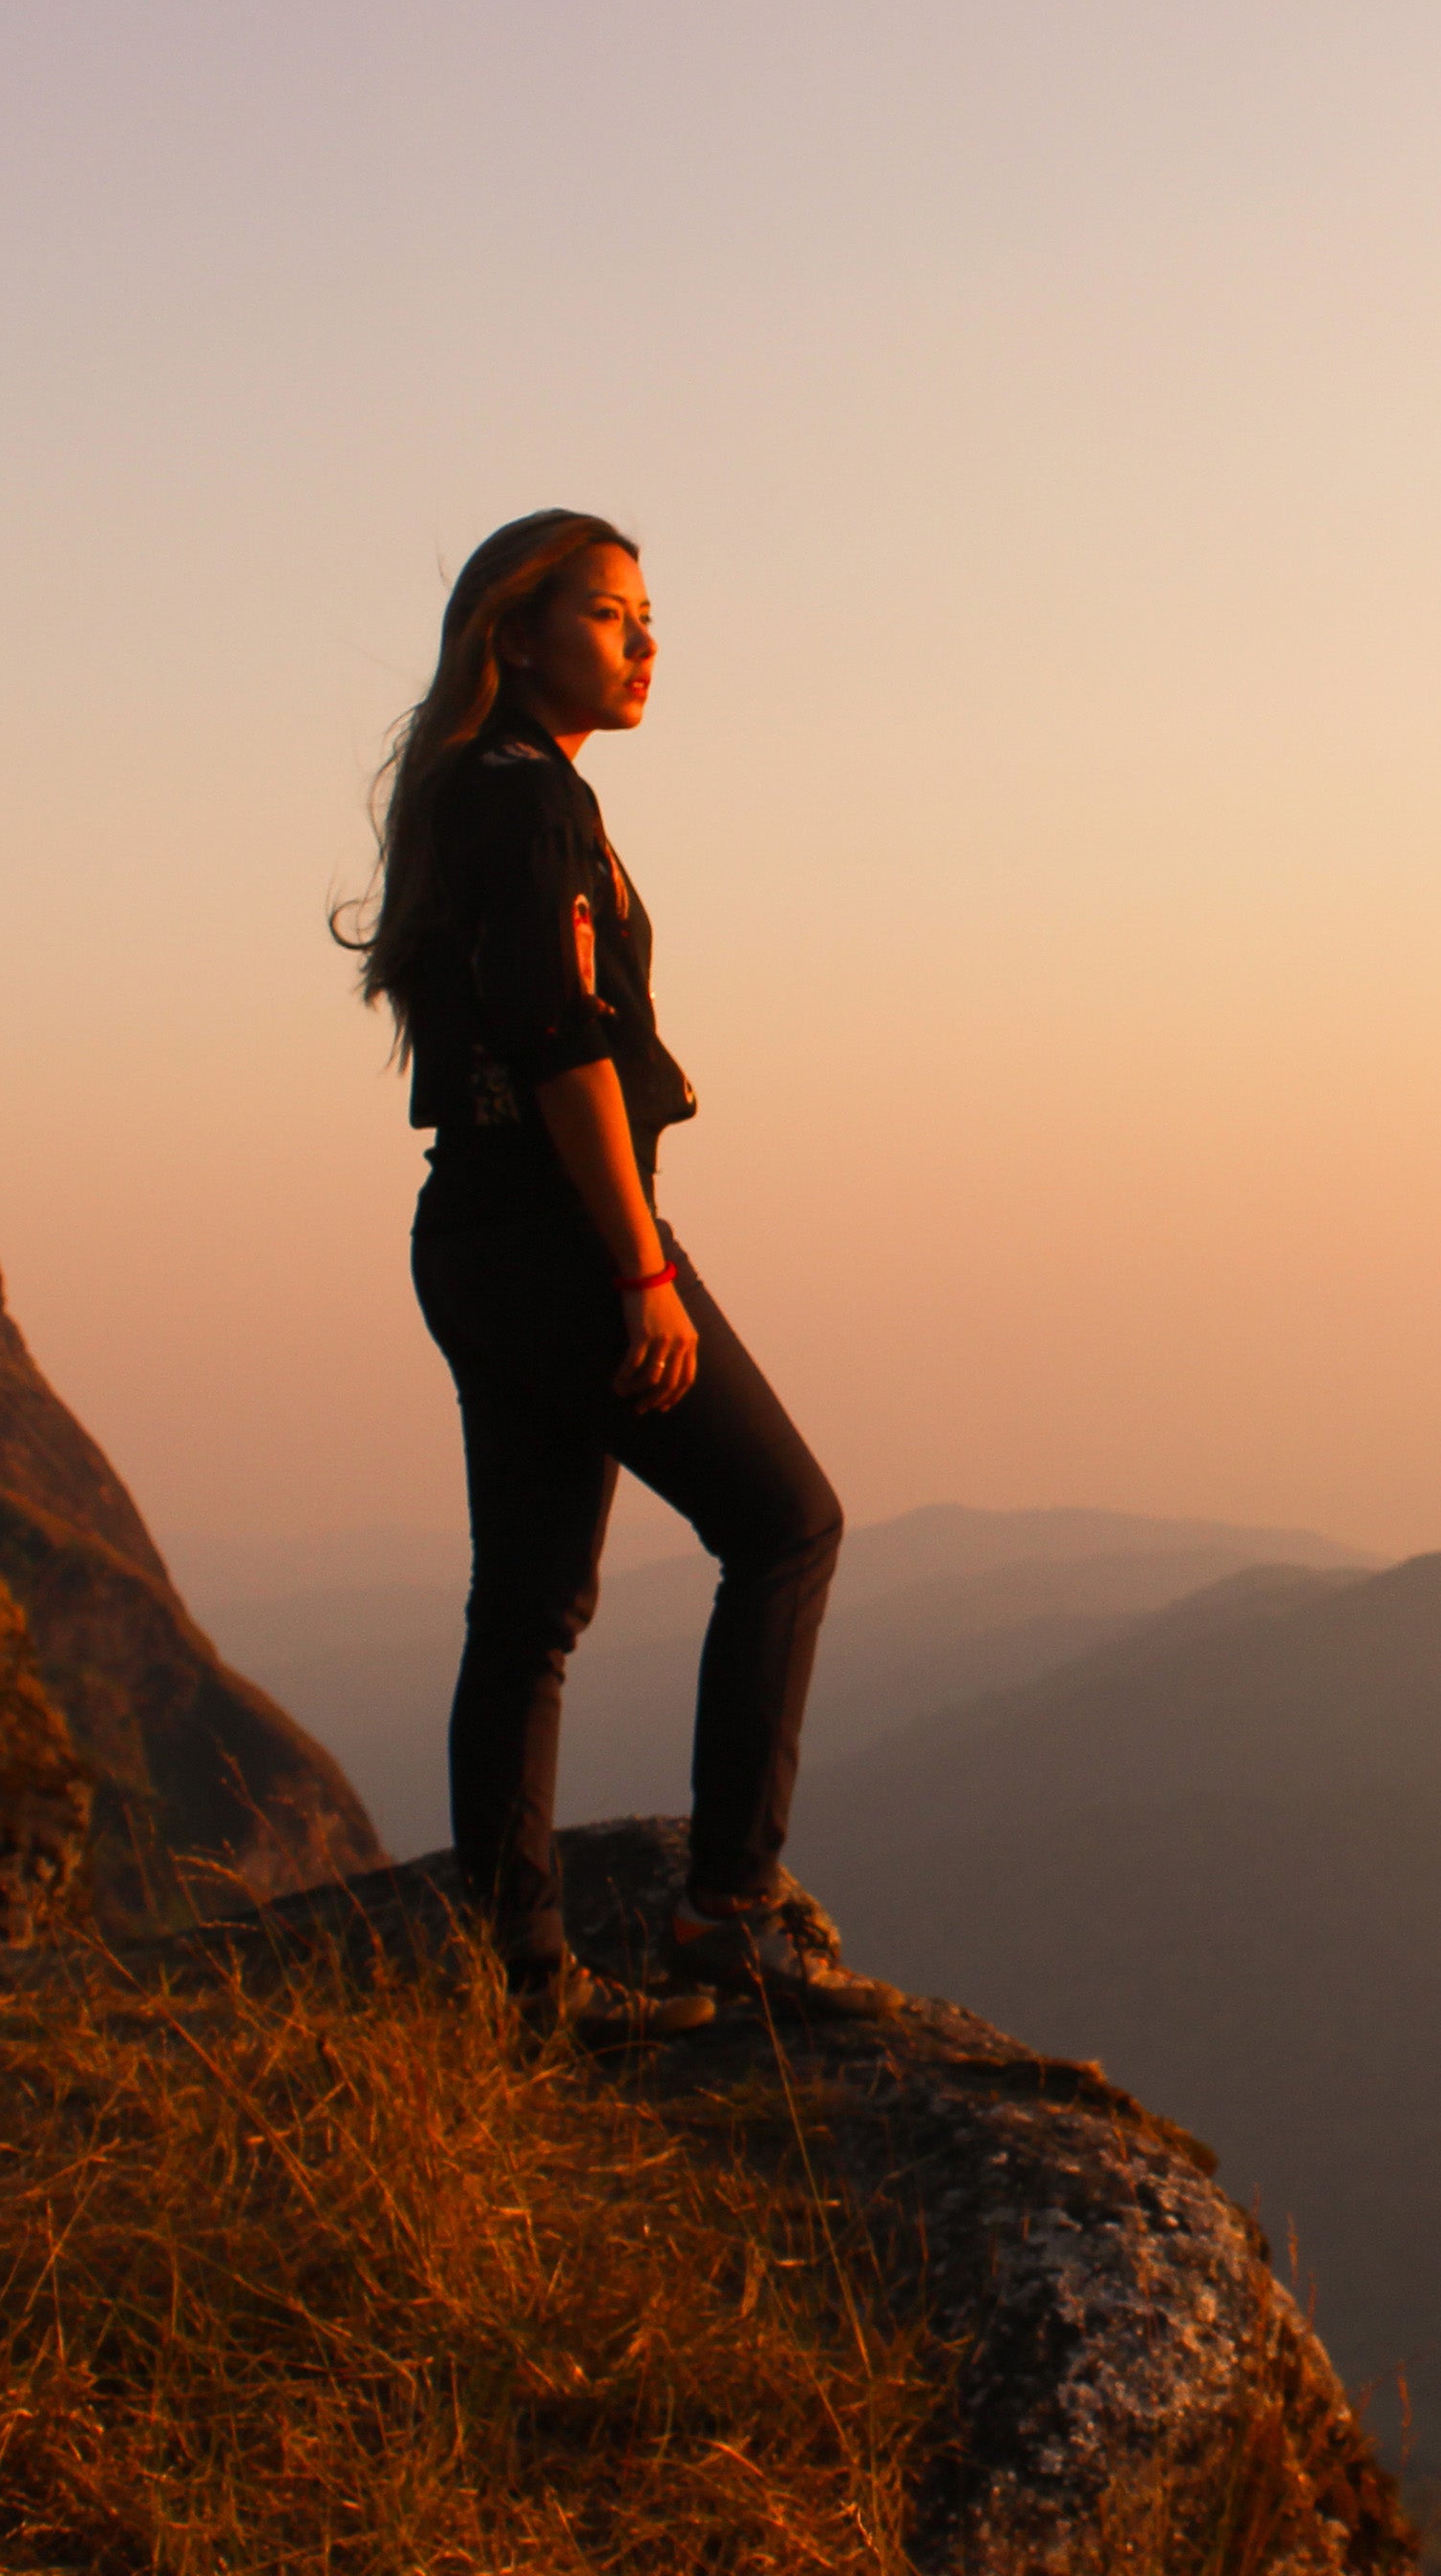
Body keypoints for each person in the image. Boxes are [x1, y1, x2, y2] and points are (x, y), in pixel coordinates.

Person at [339, 509, 896, 2040]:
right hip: (563, 1237)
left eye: (649, 616)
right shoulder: (531, 808)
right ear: (513, 637)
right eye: (608, 614)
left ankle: (518, 1982)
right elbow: (565, 1040)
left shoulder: (482, 795)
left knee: (524, 1607)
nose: (645, 642)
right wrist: (641, 1268)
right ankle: (729, 1911)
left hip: (472, 1235)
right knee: (787, 1526)